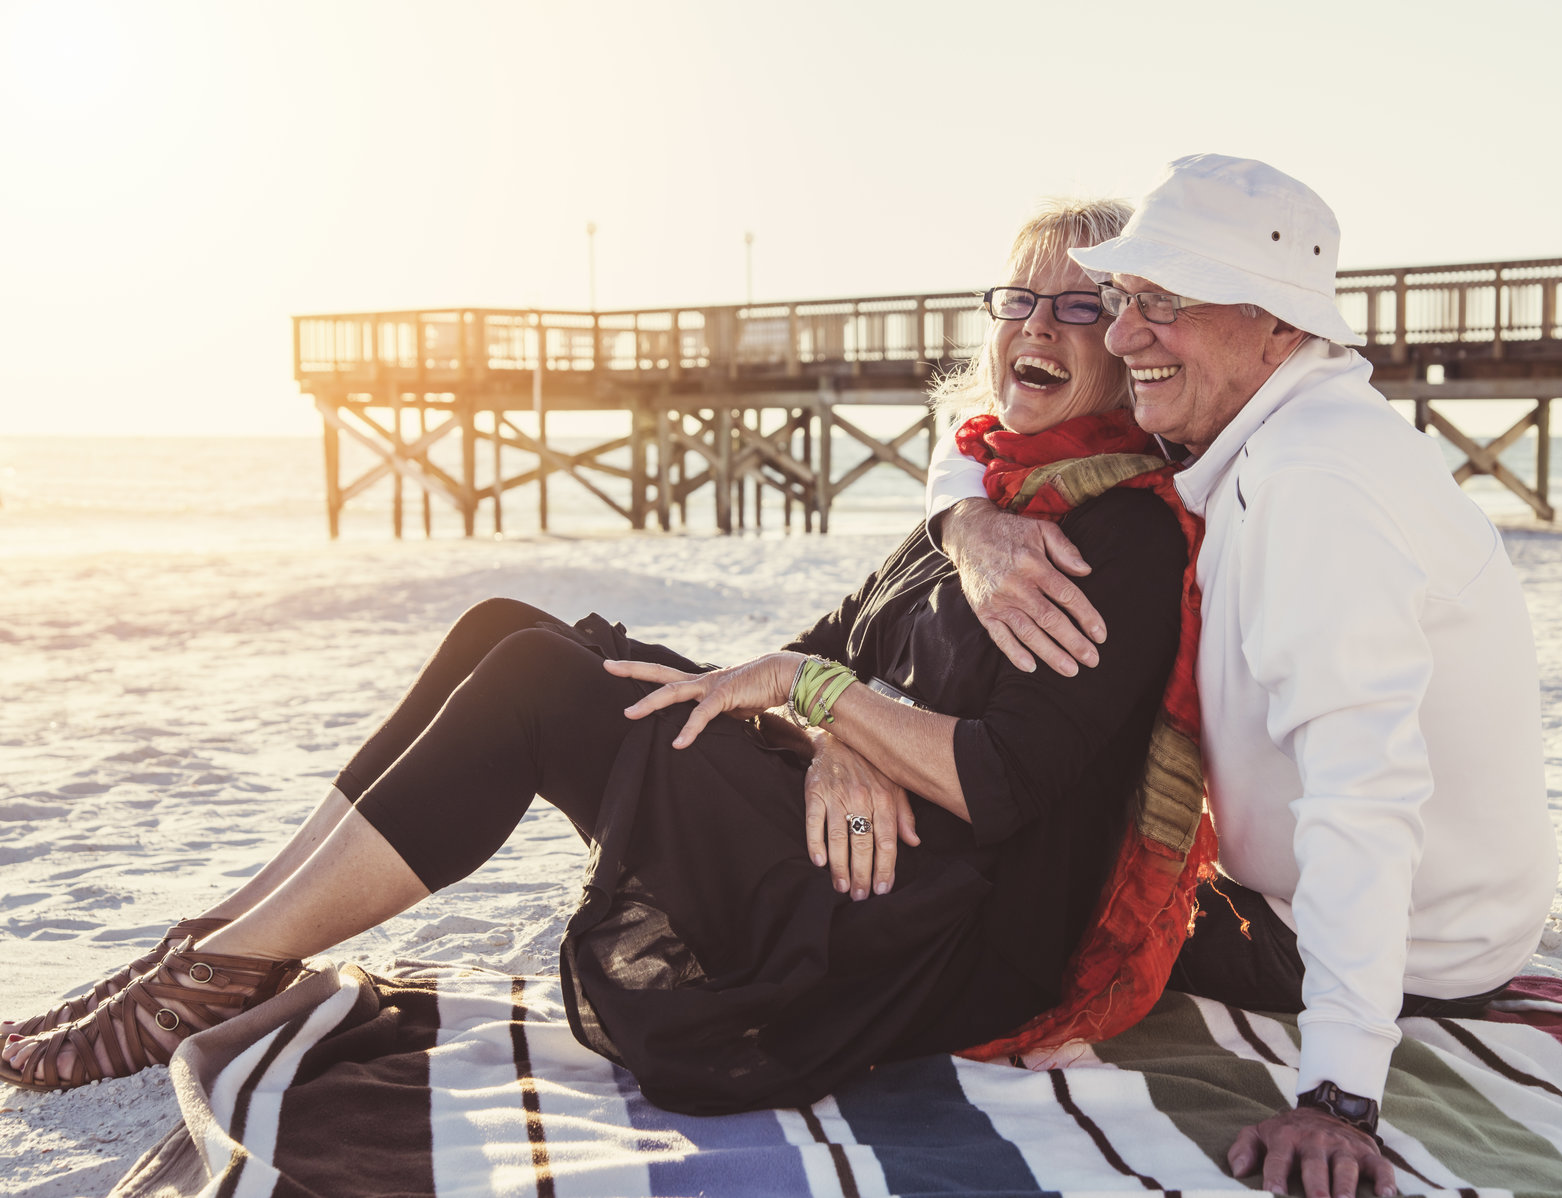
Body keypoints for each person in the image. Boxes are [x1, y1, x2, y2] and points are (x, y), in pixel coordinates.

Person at [2, 199, 1201, 1116]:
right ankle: (217, 943)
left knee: (538, 688)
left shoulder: (1121, 537)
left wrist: (818, 700)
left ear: (1128, 343)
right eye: (1018, 301)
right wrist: (833, 724)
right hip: (860, 830)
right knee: (513, 626)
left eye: (1081, 306)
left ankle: (212, 974)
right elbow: (830, 642)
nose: (1037, 327)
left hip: (913, 927)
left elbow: (1000, 779)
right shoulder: (980, 504)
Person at [925, 155, 1558, 1198]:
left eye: (1161, 305)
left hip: (1387, 947)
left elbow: (1366, 792)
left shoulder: (1313, 484)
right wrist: (971, 522)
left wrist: (1339, 1097)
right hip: (1389, 909)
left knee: (1009, 913)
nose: (1123, 336)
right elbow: (980, 437)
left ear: (1275, 325)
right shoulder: (1267, 426)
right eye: (1126, 302)